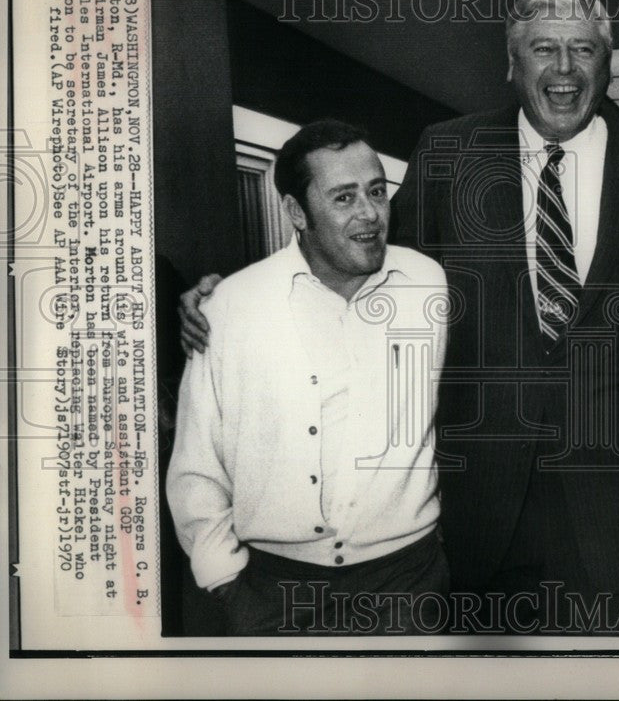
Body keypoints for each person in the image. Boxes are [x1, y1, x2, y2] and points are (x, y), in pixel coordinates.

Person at [181, 0, 619, 635]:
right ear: (511, 61)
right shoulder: (448, 155)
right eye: (545, 48)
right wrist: (229, 300)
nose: (565, 70)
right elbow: (361, 280)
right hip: (474, 522)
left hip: (616, 526)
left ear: (609, 62)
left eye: (584, 49)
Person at [167, 119, 450, 636]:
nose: (369, 214)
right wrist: (224, 582)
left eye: (377, 192)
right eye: (343, 198)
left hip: (407, 586)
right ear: (296, 211)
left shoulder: (430, 284)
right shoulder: (231, 307)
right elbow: (195, 466)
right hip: (273, 596)